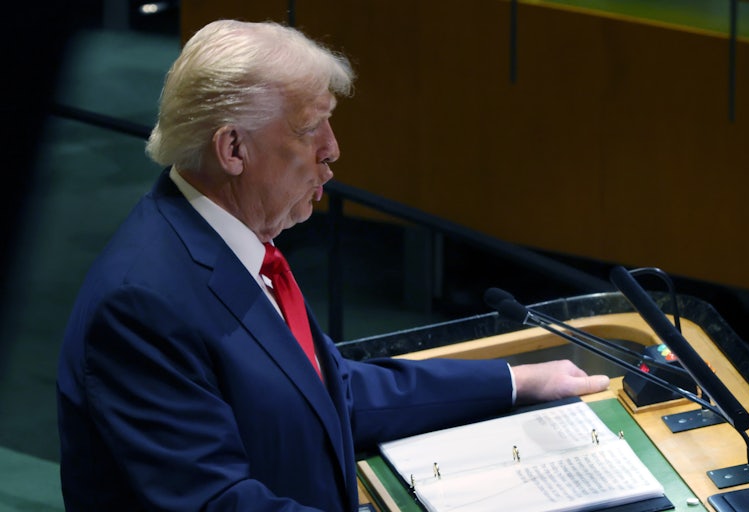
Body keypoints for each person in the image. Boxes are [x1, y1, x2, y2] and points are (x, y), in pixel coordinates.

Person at [56, 19, 609, 512]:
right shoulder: (141, 304)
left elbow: (325, 392)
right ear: (232, 150)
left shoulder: (234, 243)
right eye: (309, 127)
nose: (333, 147)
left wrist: (516, 382)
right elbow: (216, 501)